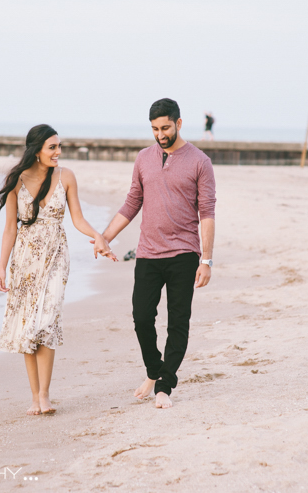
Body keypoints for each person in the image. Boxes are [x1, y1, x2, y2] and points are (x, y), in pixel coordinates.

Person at [0, 124, 117, 416]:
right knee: (27, 327)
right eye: (52, 147)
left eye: (59, 146)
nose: (58, 152)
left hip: (56, 256)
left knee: (47, 322)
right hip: (24, 259)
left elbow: (78, 219)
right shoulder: (16, 181)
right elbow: (9, 229)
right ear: (37, 150)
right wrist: (2, 267)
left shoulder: (65, 176)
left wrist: (100, 238)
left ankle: (45, 395)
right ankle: (35, 398)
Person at [100, 98, 216, 409]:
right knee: (141, 317)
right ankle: (154, 370)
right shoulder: (143, 158)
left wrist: (206, 260)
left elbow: (207, 212)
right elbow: (131, 203)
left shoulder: (200, 162)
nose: (160, 134)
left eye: (165, 127)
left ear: (179, 123)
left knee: (178, 322)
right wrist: (105, 237)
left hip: (184, 254)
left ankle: (164, 385)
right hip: (148, 253)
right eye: (154, 129)